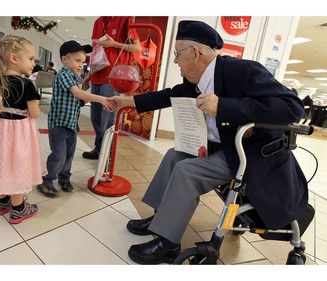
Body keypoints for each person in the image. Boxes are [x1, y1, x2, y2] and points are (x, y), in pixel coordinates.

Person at [108, 20, 308, 264]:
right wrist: (126, 102)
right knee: (174, 155)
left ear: (195, 52)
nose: (175, 60)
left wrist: (224, 106)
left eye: (177, 53)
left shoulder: (242, 71)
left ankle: (168, 244)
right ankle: (161, 217)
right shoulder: (196, 81)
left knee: (186, 170)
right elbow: (168, 95)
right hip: (218, 149)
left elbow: (292, 107)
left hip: (246, 155)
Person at [0, 34, 42, 224]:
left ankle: (2, 202)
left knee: (2, 165)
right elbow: (34, 113)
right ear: (14, 58)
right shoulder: (26, 84)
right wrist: (36, 101)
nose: (33, 63)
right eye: (30, 59)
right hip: (18, 134)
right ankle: (19, 208)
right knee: (16, 167)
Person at [37, 40, 115, 197]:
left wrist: (81, 99)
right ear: (65, 59)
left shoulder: (72, 77)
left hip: (71, 124)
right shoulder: (64, 74)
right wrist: (102, 99)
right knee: (59, 154)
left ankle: (64, 178)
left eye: (83, 61)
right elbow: (78, 94)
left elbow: (76, 97)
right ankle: (47, 180)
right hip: (59, 124)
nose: (81, 65)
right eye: (78, 60)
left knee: (69, 155)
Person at [81, 16, 141, 160]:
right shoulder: (98, 22)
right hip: (97, 76)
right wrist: (89, 76)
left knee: (108, 118)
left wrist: (114, 44)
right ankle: (99, 149)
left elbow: (137, 48)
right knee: (95, 117)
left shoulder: (125, 18)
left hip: (114, 78)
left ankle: (108, 154)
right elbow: (96, 52)